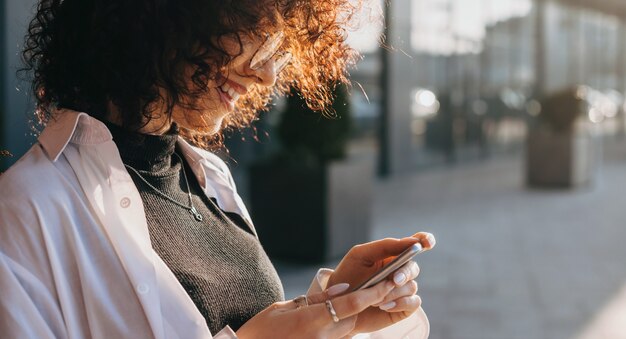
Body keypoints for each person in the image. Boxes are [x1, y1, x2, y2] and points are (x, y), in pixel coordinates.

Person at [0, 0, 436, 338]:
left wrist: (332, 310)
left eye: (281, 53)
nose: (267, 76)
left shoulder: (210, 176)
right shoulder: (23, 211)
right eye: (261, 35)